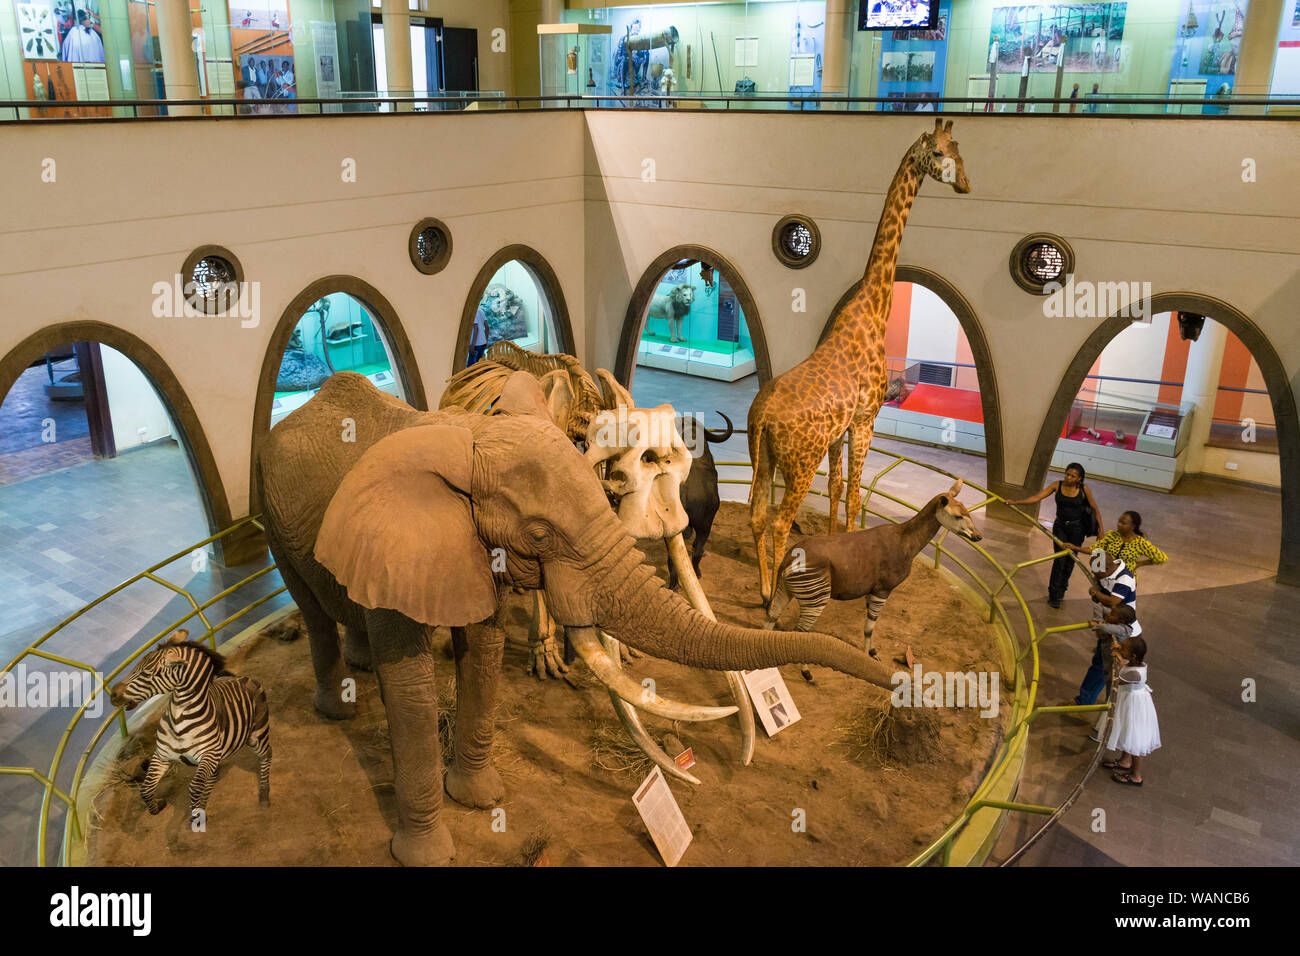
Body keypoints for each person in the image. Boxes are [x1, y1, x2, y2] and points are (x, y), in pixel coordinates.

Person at [1007, 462, 1102, 608]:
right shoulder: (1057, 485)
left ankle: (1062, 590)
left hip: (1077, 529)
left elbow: (1095, 508)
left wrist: (1100, 531)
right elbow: (1037, 497)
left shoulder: (1084, 489)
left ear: (1079, 478)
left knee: (1070, 560)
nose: (1068, 477)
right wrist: (1016, 502)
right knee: (1059, 560)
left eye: (1072, 476)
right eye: (1067, 474)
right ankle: (1054, 595)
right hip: (1060, 528)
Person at [1076, 553, 1139, 707]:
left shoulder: (1125, 579)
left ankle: (1109, 714)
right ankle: (1083, 702)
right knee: (1098, 666)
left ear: (1108, 568)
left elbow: (1112, 602)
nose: (1095, 576)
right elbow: (1098, 590)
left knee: (1112, 677)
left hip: (1122, 636)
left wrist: (1095, 593)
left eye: (1098, 573)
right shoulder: (1105, 571)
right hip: (1112, 629)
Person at [1102, 636, 1160, 785]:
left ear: (1132, 655)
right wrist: (1121, 656)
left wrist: (1117, 659)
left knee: (1135, 740)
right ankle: (1124, 761)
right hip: (1131, 702)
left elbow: (1113, 678)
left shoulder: (1134, 673)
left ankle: (1136, 776)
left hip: (1134, 707)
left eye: (1123, 648)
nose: (1120, 648)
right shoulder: (1136, 664)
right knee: (1129, 733)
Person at [1081, 510, 1168, 576]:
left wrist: (1139, 564)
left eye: (1123, 523)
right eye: (1119, 521)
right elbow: (1095, 550)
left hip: (1124, 580)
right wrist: (1075, 548)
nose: (1119, 524)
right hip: (1106, 576)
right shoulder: (1112, 535)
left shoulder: (1141, 543)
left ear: (1133, 526)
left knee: (1114, 600)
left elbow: (1162, 558)